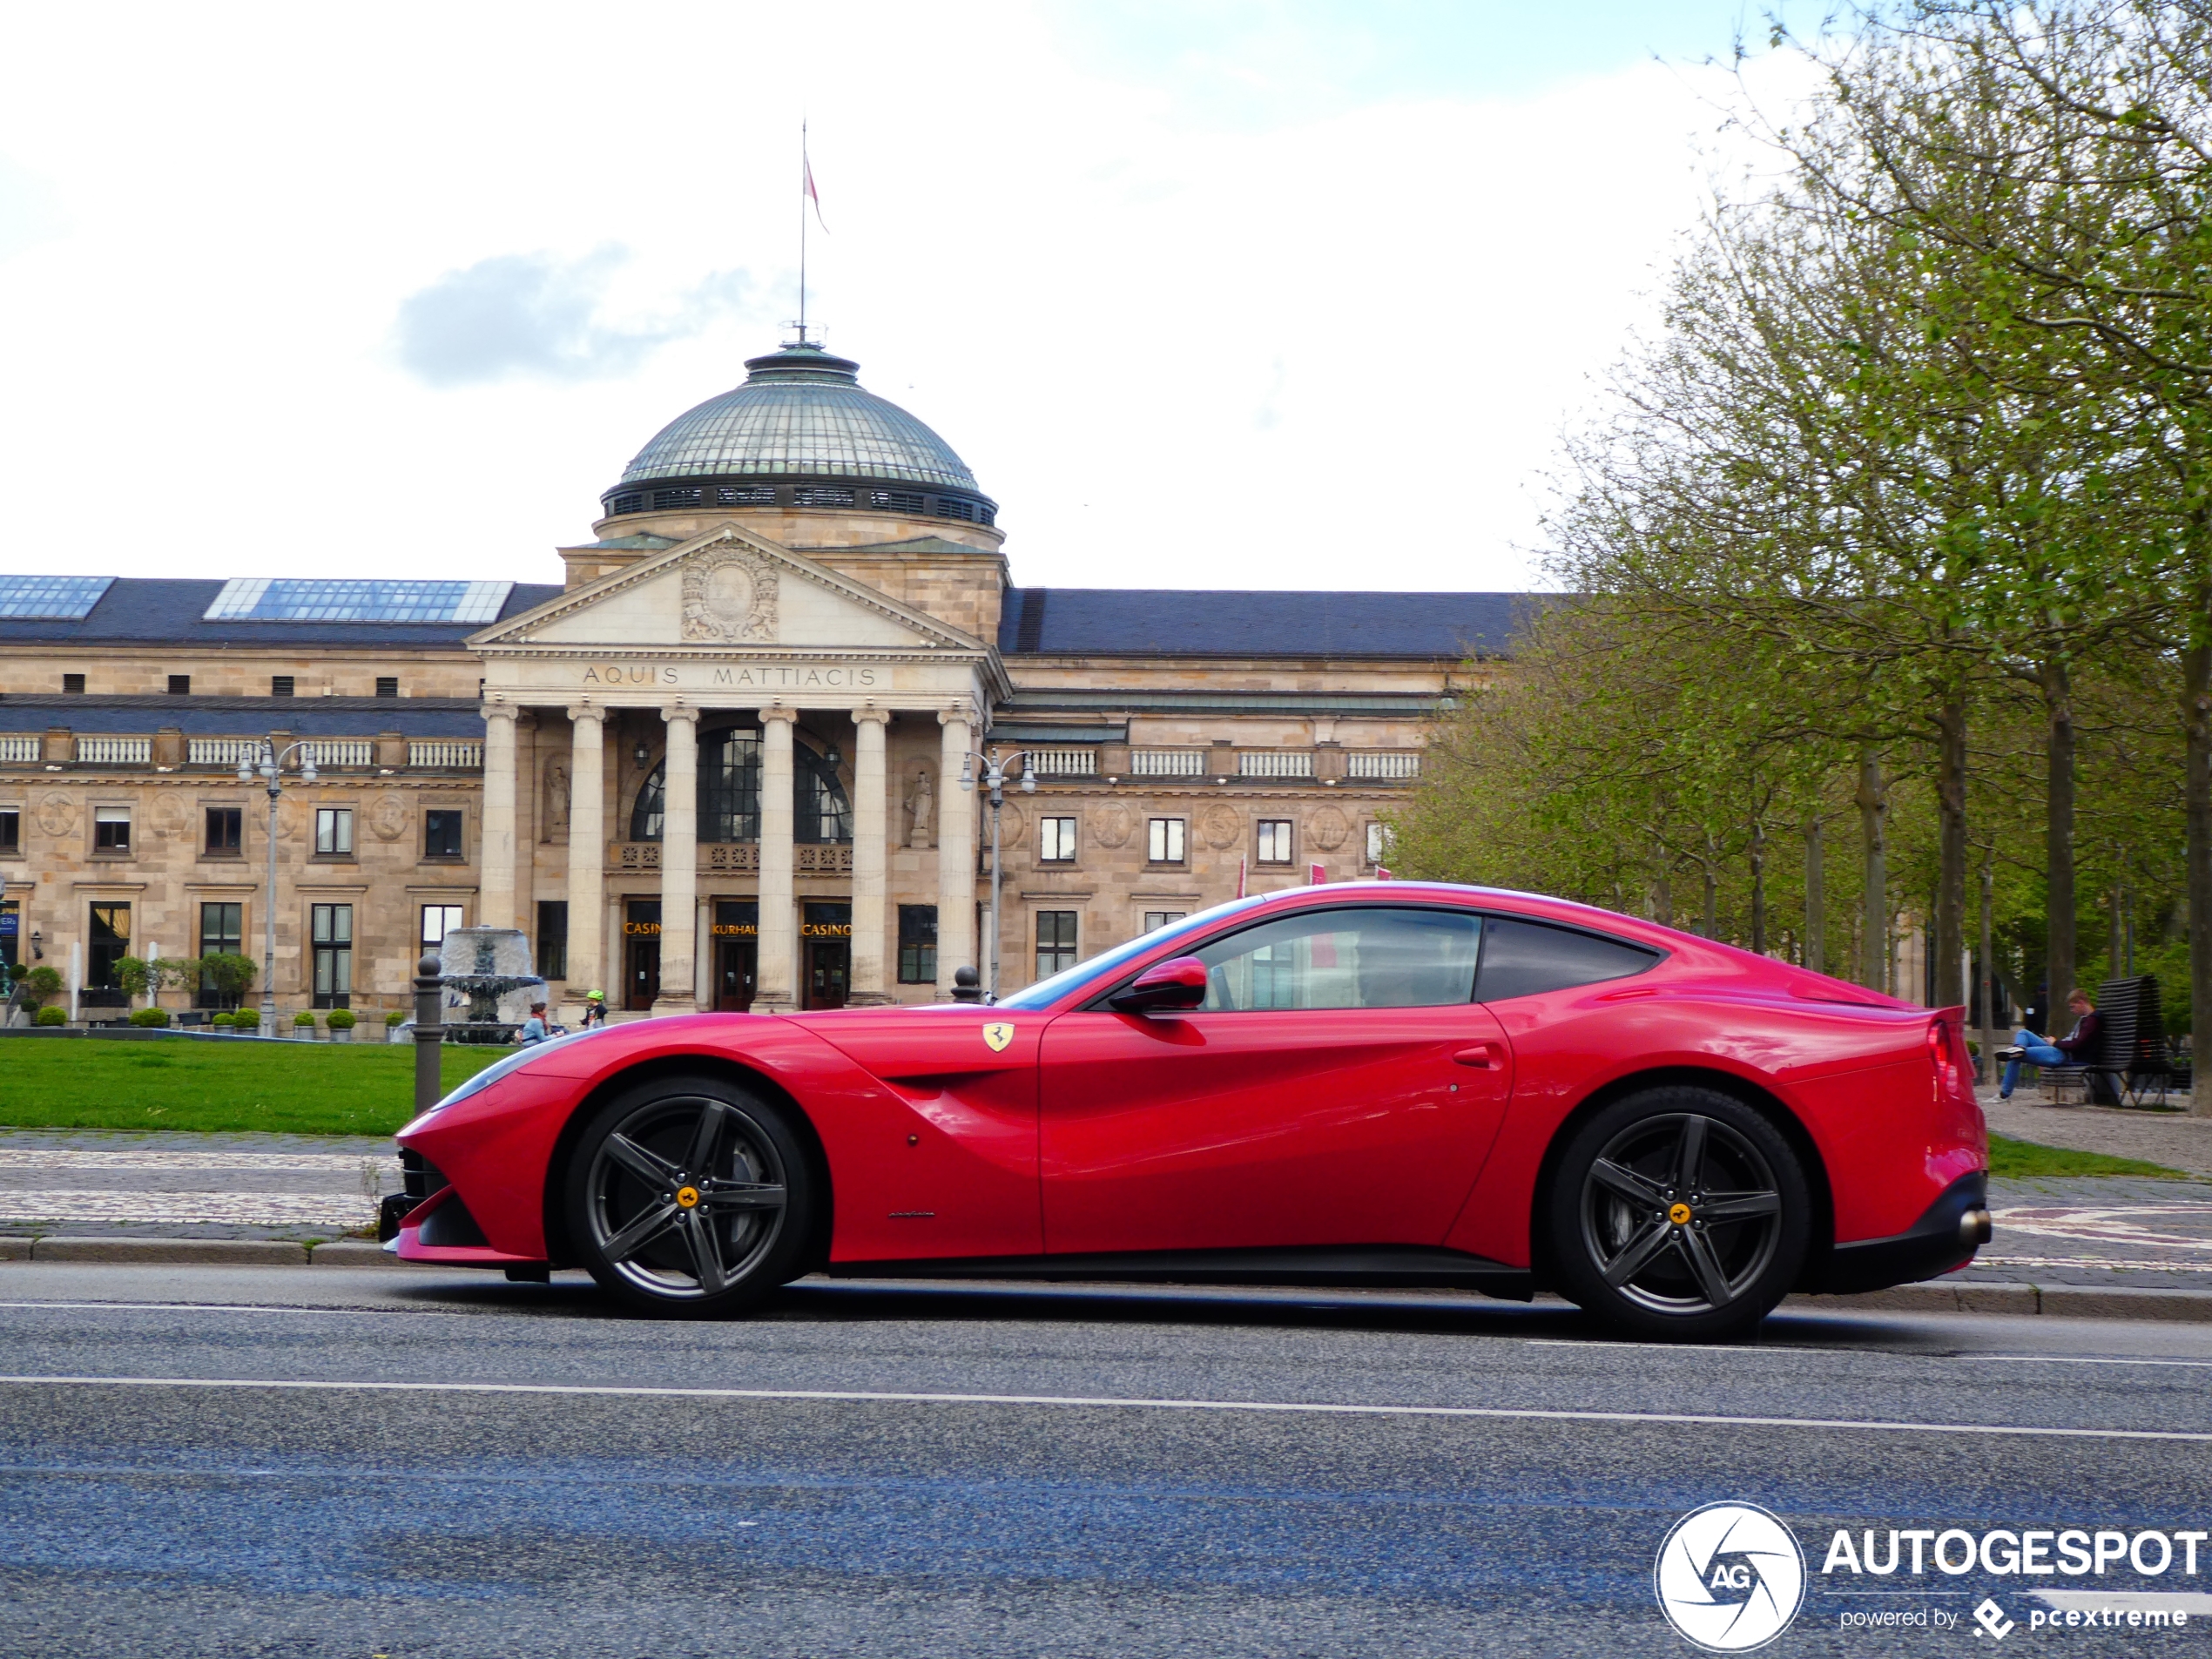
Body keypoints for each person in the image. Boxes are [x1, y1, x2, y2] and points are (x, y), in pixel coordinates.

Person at [1999, 988, 2102, 1101]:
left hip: (2065, 1055)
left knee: (2017, 1056)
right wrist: (2054, 1042)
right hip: (2061, 1050)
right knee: (2023, 1033)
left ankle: (2004, 1094)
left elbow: (2076, 1045)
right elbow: (2073, 1041)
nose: (2072, 1011)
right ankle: (2019, 1047)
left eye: (2073, 1007)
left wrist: (2056, 1043)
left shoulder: (2092, 1021)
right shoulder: (2085, 1019)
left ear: (2081, 1002)